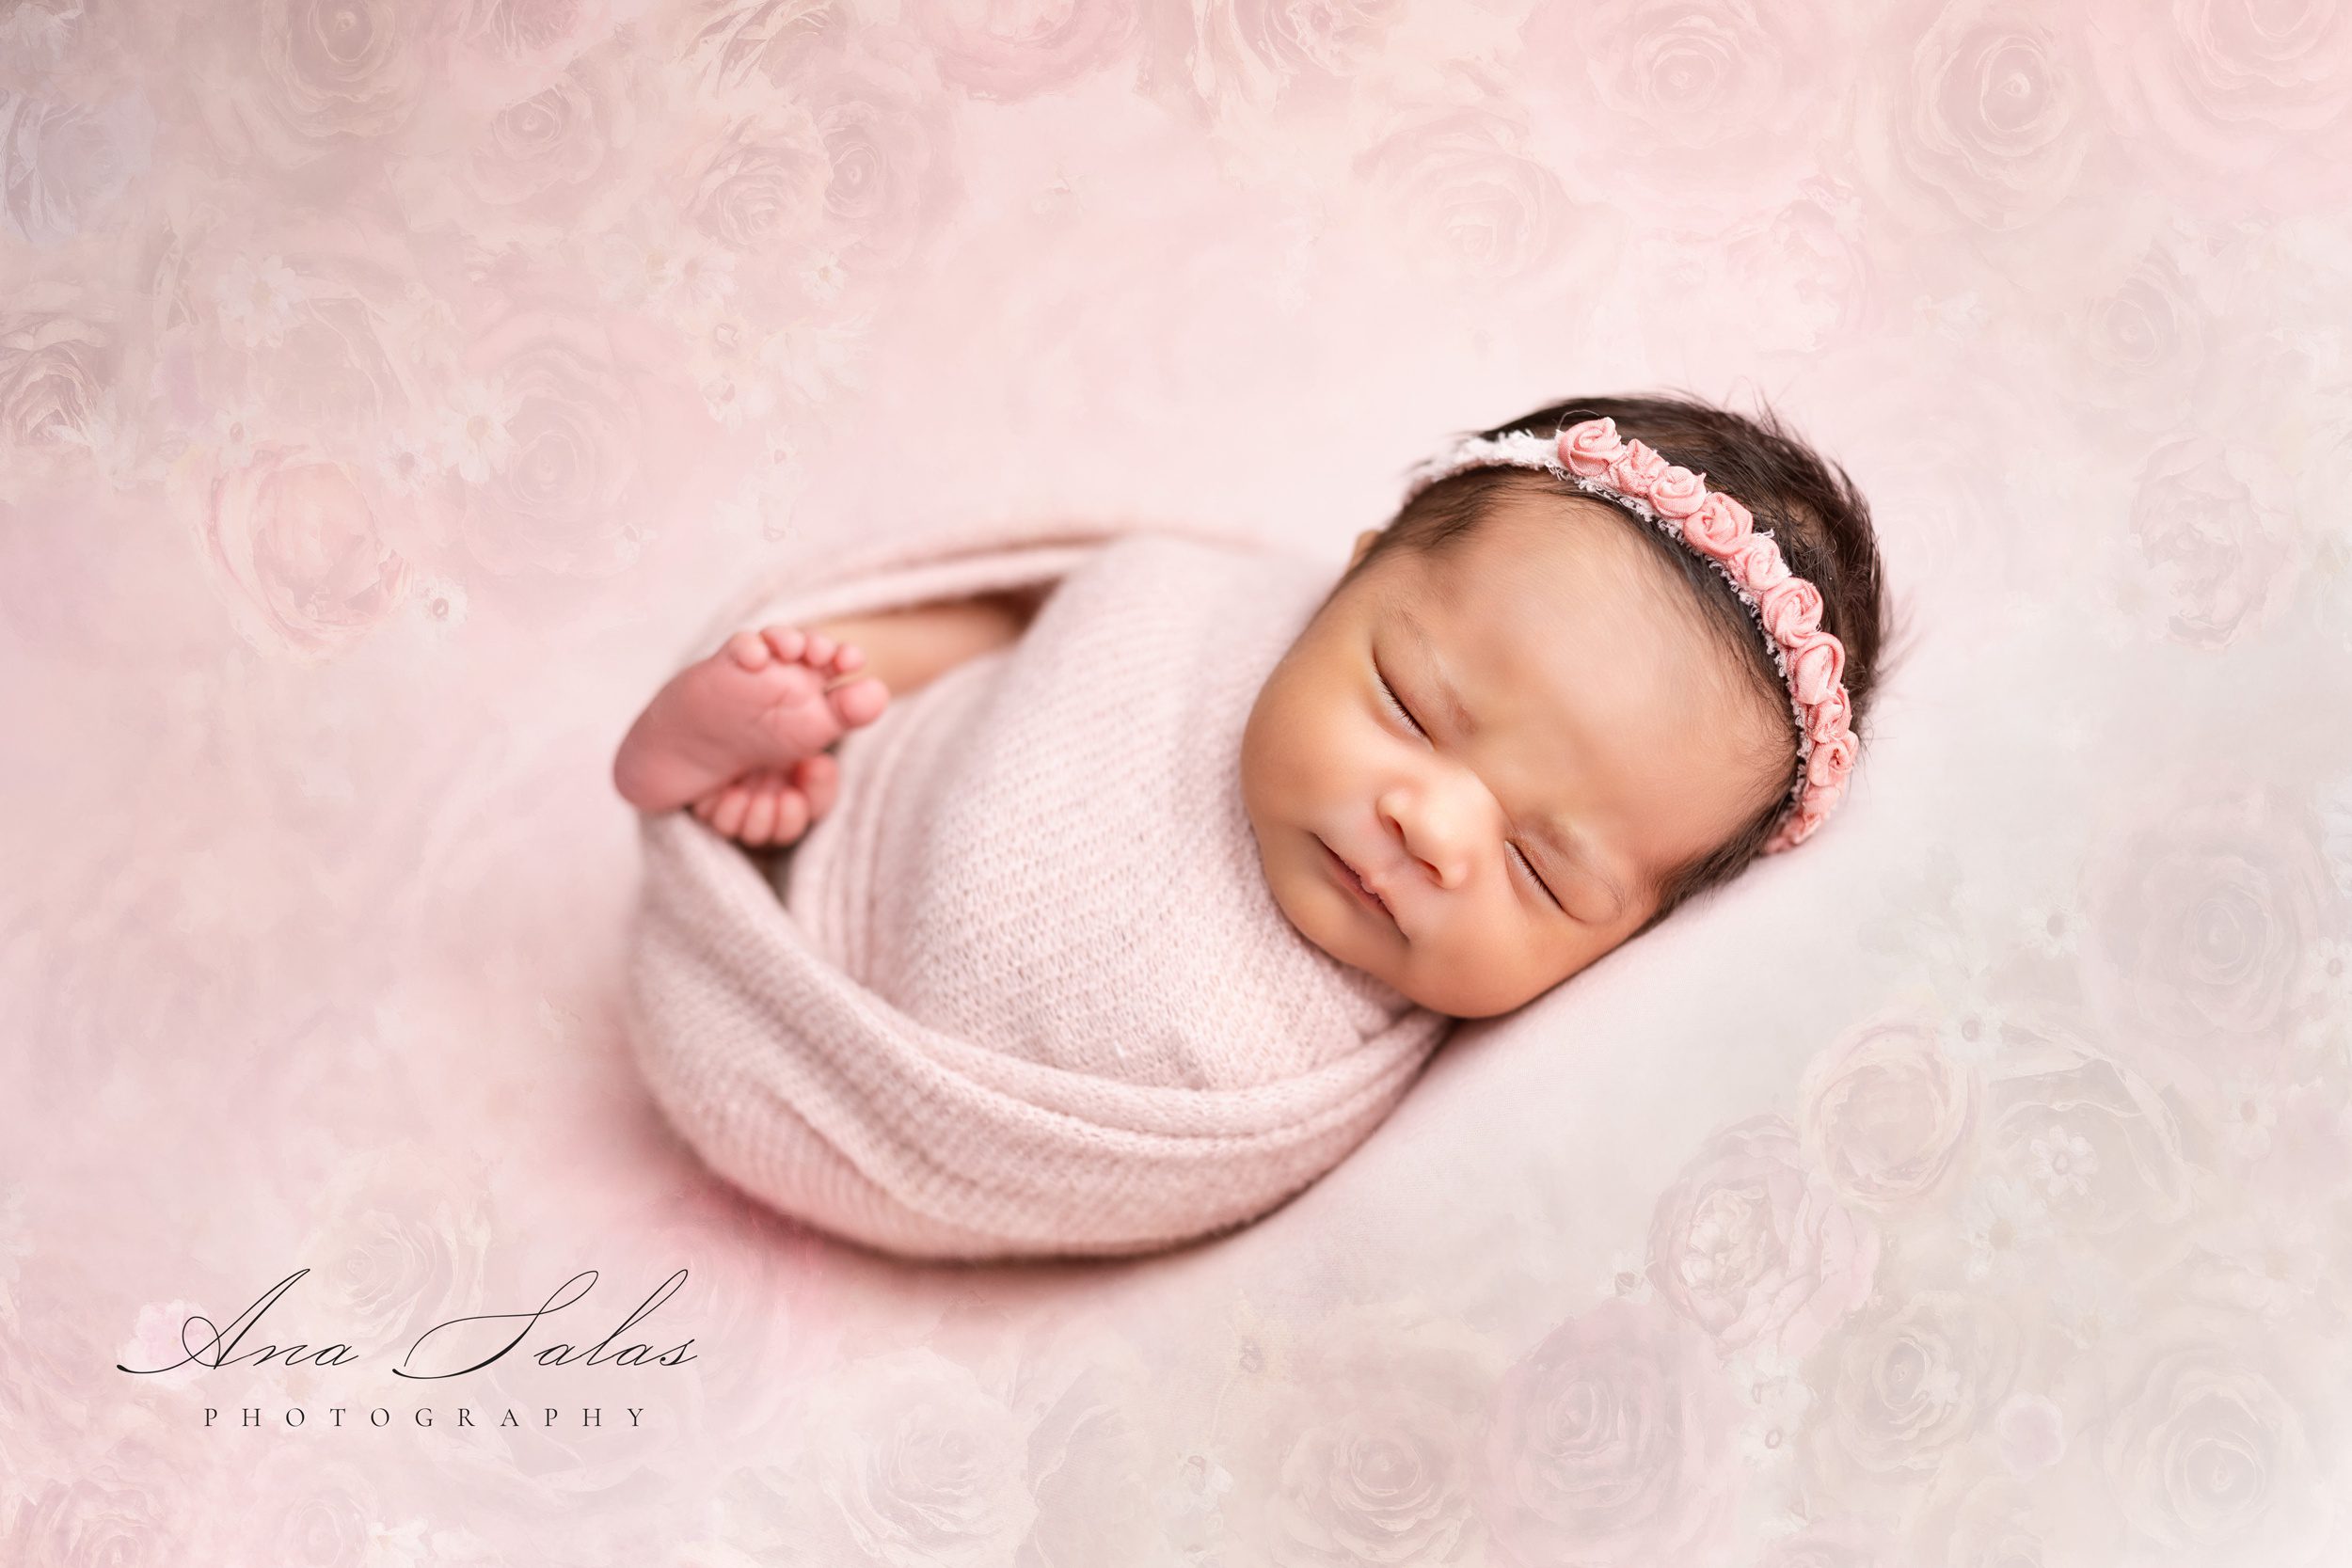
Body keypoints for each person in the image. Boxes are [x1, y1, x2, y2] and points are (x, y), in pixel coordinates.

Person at [612, 392, 1893, 1020]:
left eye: (1545, 871)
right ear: (1351, 575)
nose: (1434, 831)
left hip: (877, 1056)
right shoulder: (1220, 618)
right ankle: (797, 713)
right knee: (1008, 635)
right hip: (914, 778)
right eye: (1411, 706)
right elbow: (1054, 620)